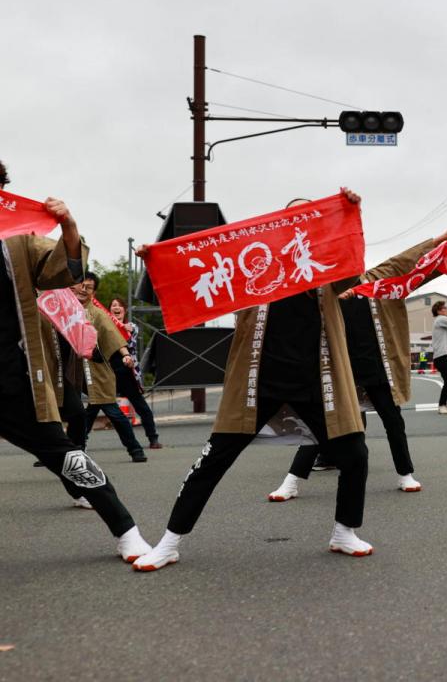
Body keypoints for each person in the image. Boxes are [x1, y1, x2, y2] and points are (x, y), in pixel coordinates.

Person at [133, 189, 374, 571]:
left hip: (315, 382)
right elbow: (199, 267)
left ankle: (344, 531)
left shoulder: (326, 268)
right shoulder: (252, 265)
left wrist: (350, 212)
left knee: (355, 456)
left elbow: (352, 270)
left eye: (314, 219)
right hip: (257, 381)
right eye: (298, 219)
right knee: (211, 461)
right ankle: (169, 541)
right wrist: (159, 262)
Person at [0, 165, 151, 562]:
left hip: (9, 379)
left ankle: (126, 530)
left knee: (66, 455)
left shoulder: (17, 242)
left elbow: (63, 268)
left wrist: (68, 226)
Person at [268, 230, 447, 501]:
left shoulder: (379, 281)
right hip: (341, 371)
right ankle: (291, 482)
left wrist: (438, 240)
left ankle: (405, 473)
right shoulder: (325, 292)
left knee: (393, 422)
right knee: (320, 426)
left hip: (376, 368)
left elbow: (406, 262)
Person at [76, 274, 146, 462]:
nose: (83, 290)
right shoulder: (66, 310)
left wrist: (125, 355)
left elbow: (113, 336)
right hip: (73, 372)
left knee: (110, 411)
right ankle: (66, 452)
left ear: (93, 292)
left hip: (95, 370)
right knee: (71, 412)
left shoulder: (98, 314)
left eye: (88, 287)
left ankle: (135, 449)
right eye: (80, 286)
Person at [108, 296, 161, 448]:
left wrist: (118, 324)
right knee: (96, 406)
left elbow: (129, 334)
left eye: (119, 306)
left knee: (141, 407)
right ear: (109, 310)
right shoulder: (105, 327)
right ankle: (80, 442)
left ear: (124, 310)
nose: (116, 308)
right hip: (110, 372)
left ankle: (153, 439)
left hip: (128, 372)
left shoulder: (131, 326)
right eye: (113, 306)